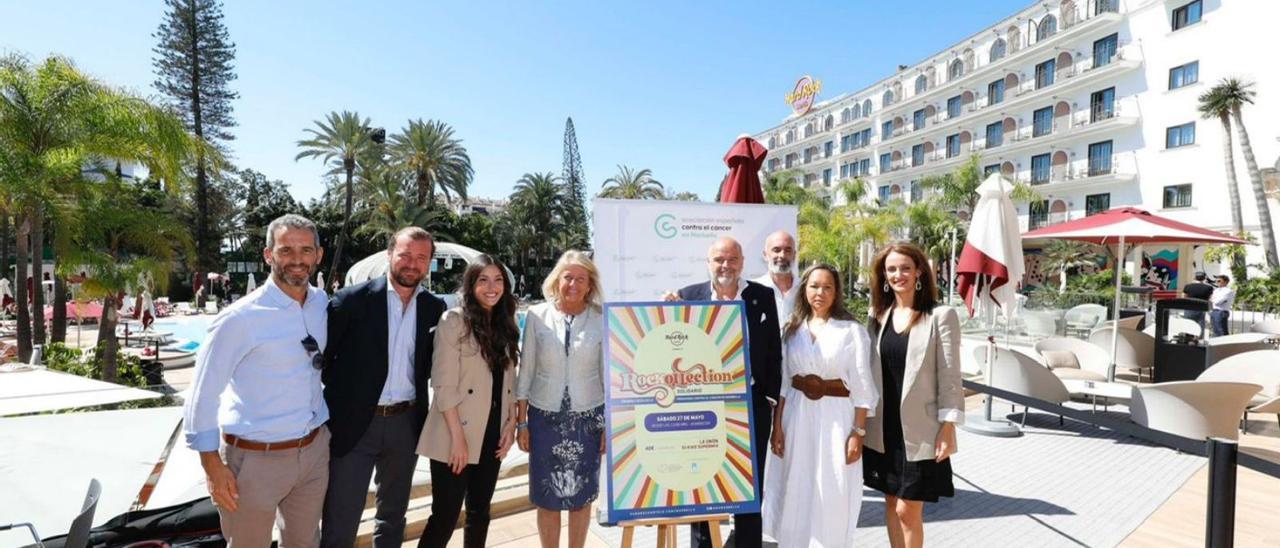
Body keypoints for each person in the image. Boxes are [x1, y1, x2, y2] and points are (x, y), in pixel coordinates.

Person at [182, 213, 330, 547]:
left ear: (318, 256)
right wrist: (211, 466)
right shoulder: (240, 319)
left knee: (306, 543)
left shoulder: (322, 305)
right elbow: (202, 395)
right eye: (286, 250)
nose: (297, 260)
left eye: (306, 250)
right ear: (268, 255)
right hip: (255, 461)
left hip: (314, 453)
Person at [320, 227, 448, 548]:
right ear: (390, 254)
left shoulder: (435, 308)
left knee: (393, 515)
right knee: (341, 515)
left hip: (406, 424)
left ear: (429, 263)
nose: (412, 264)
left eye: (421, 258)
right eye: (405, 255)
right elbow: (323, 362)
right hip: (354, 426)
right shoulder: (351, 301)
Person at [664, 236, 782, 548]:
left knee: (749, 487)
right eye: (719, 259)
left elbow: (773, 350)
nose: (725, 266)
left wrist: (767, 397)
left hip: (750, 408)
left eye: (731, 259)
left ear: (742, 263)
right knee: (701, 483)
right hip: (704, 409)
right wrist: (665, 314)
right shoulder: (688, 296)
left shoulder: (762, 296)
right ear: (708, 263)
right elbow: (669, 344)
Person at [762, 264, 877, 547]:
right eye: (814, 286)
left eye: (827, 287)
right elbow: (784, 384)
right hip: (797, 417)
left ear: (836, 292)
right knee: (796, 485)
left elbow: (863, 388)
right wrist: (777, 427)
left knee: (833, 487)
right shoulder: (792, 330)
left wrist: (858, 433)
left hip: (836, 420)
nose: (820, 293)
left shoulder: (852, 331)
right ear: (804, 289)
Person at [863, 242, 963, 548]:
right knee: (891, 503)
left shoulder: (940, 316)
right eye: (891, 269)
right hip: (882, 429)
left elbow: (949, 375)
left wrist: (948, 425)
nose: (898, 274)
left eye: (905, 268)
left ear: (919, 271)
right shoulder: (877, 315)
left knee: (908, 509)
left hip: (920, 430)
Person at [416, 255, 519, 548]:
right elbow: (443, 385)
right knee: (445, 517)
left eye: (498, 280)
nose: (492, 287)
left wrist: (511, 425)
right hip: (455, 433)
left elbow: (509, 382)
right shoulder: (454, 321)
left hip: (492, 434)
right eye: (483, 280)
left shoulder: (505, 322)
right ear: (471, 284)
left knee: (479, 513)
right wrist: (457, 439)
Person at [515, 251, 606, 548]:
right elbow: (525, 371)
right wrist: (521, 423)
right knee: (548, 497)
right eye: (568, 277)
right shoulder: (537, 316)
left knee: (581, 497)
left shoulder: (601, 319)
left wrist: (608, 426)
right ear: (557, 280)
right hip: (544, 418)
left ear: (590, 284)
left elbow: (608, 376)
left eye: (581, 278)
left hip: (588, 419)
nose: (574, 284)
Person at [753, 230, 799, 324]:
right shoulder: (752, 290)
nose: (782, 255)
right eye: (776, 250)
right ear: (765, 255)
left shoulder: (805, 288)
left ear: (794, 255)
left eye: (788, 250)